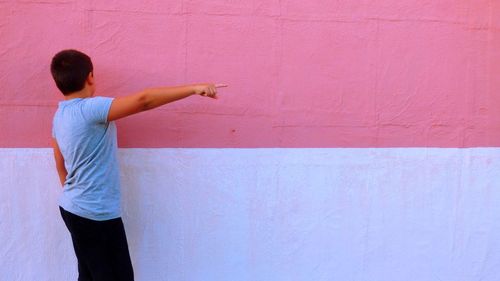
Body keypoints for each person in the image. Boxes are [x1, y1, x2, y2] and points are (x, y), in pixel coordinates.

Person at [50, 49, 227, 281]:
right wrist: (194, 88)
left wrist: (77, 200)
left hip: (74, 209)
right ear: (90, 77)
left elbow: (60, 164)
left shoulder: (60, 116)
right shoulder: (91, 109)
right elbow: (144, 101)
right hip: (94, 214)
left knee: (90, 274)